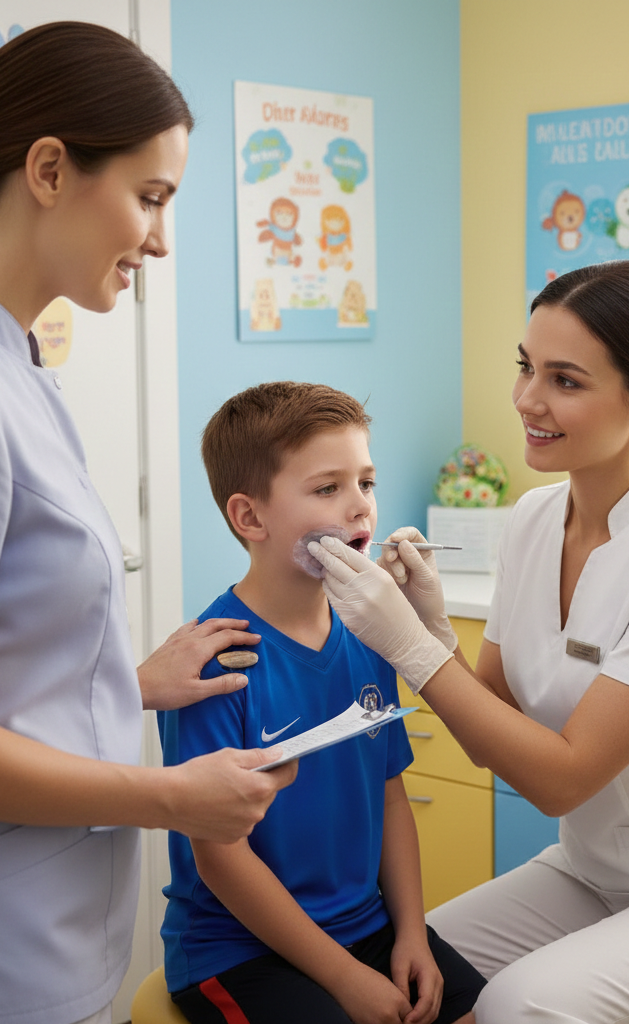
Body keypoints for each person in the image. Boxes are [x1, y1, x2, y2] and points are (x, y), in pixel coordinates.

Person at [308, 261, 629, 1024]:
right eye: (525, 367)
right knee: (404, 971)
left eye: (565, 380)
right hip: (593, 870)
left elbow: (563, 779)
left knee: (520, 1008)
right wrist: (434, 632)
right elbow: (493, 727)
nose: (527, 399)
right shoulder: (532, 520)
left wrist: (409, 650)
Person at [0, 23, 296, 1024]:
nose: (161, 239)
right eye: (150, 197)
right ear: (49, 168)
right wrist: (173, 795)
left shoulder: (15, 371)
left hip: (54, 926)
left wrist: (128, 683)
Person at [158, 382, 484, 1024]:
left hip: (369, 926)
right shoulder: (215, 661)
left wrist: (412, 934)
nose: (360, 508)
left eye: (366, 482)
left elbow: (390, 794)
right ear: (250, 518)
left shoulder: (371, 631)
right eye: (327, 488)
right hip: (238, 952)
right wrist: (344, 980)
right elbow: (220, 858)